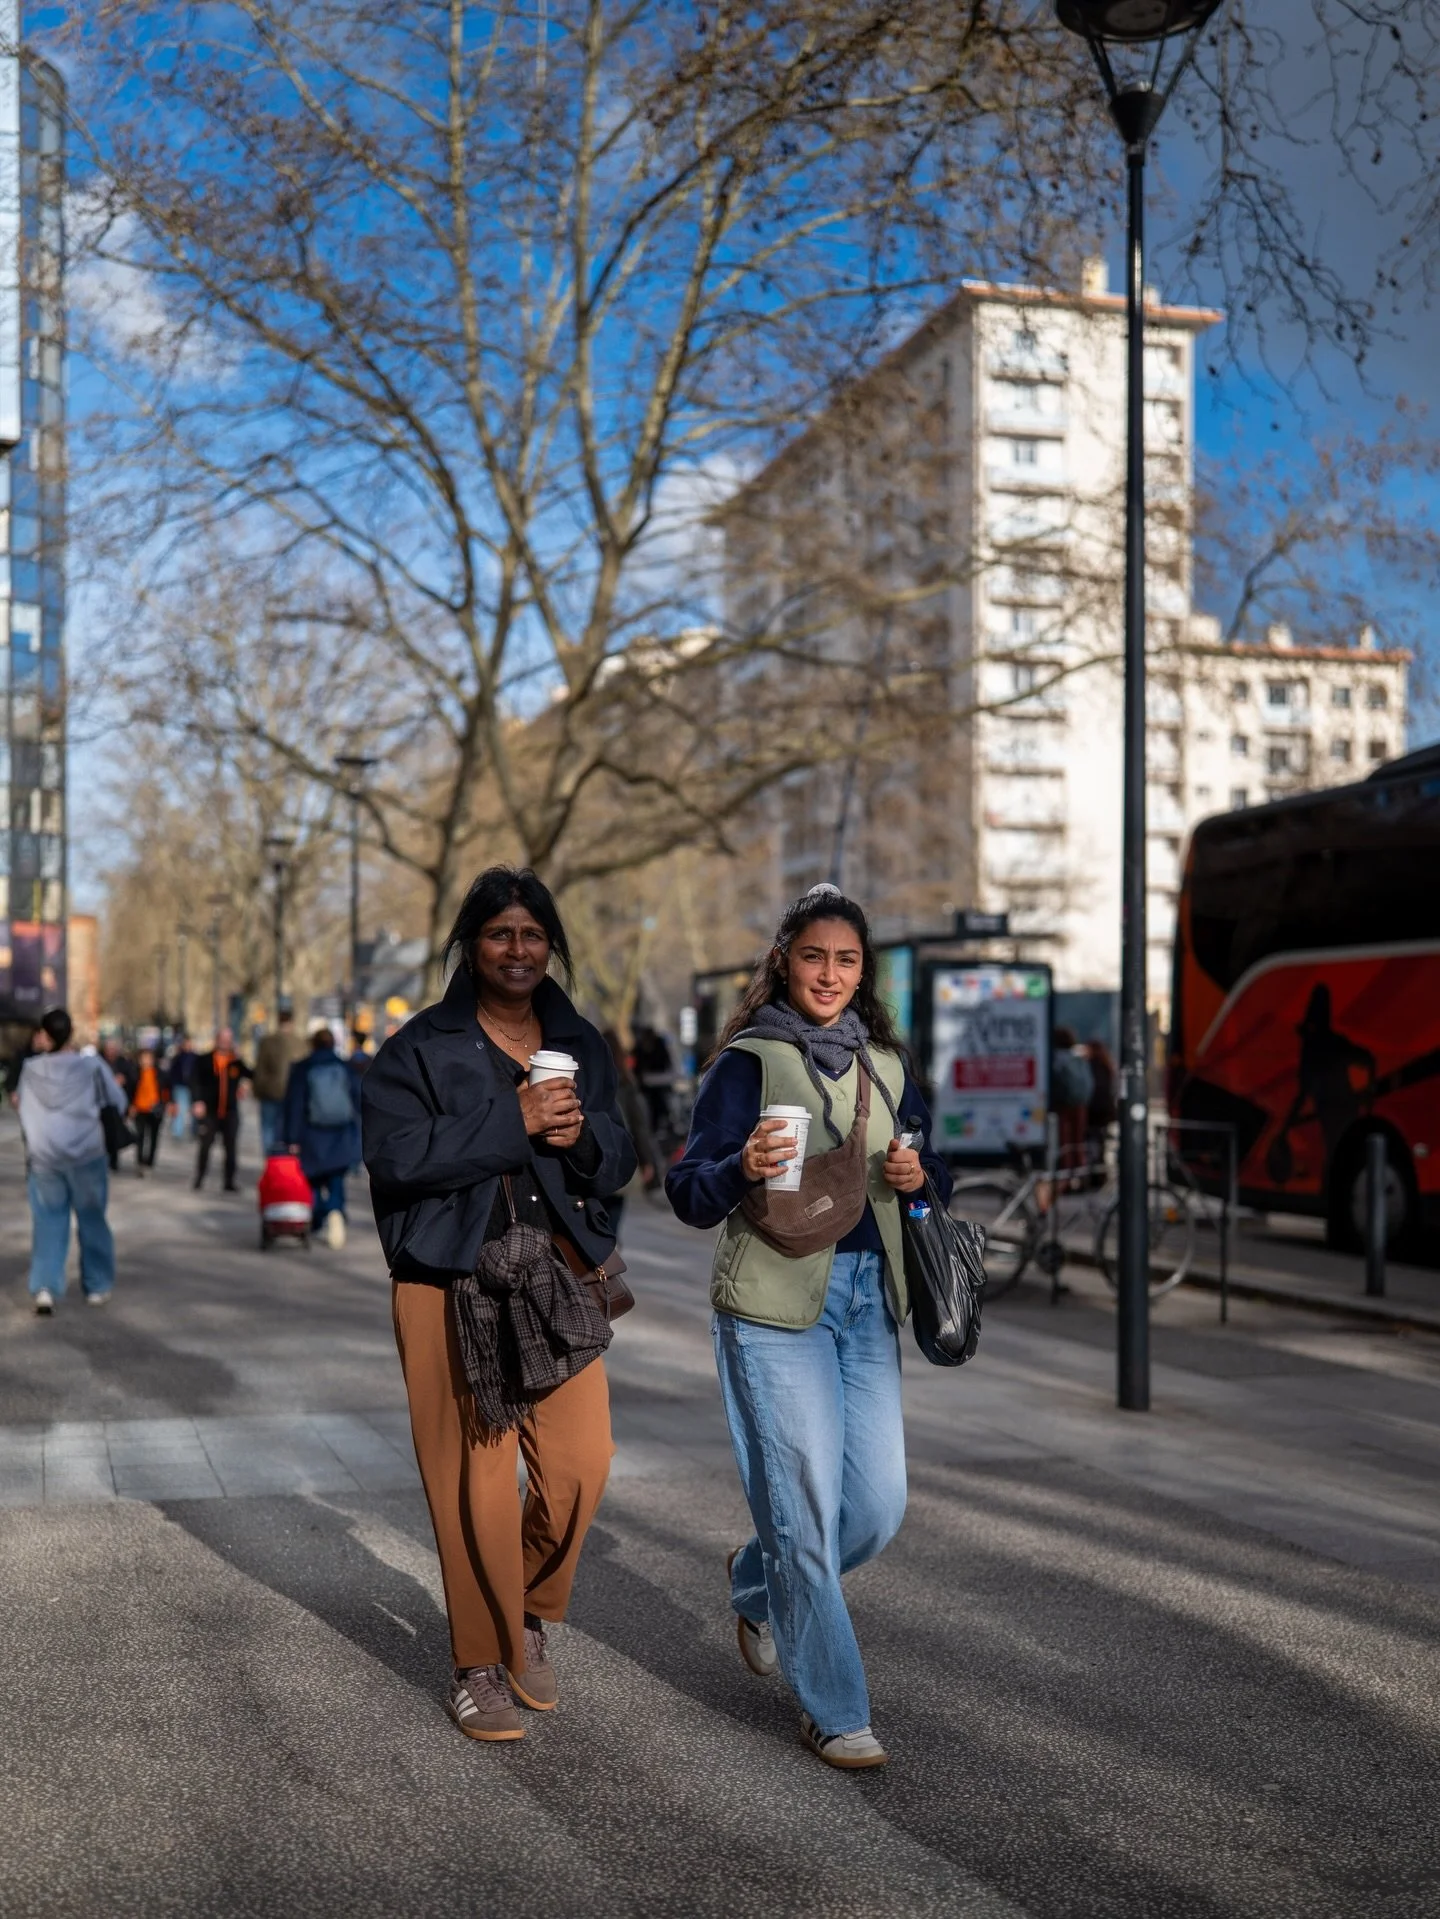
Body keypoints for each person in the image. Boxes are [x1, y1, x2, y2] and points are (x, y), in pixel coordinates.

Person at [666, 883, 950, 1773]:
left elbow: (930, 1171)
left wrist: (920, 1178)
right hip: (772, 1305)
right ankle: (835, 1711)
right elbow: (687, 1189)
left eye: (846, 960)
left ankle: (755, 1579)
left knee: (876, 1507)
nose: (829, 974)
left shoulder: (888, 1065)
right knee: (805, 1510)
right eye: (814, 956)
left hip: (868, 1302)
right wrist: (739, 1165)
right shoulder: (748, 1062)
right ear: (784, 961)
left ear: (864, 972)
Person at [363, 866, 637, 1744]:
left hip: (554, 1276)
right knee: (472, 1481)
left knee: (581, 1464)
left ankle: (524, 1607)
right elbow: (395, 1159)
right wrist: (510, 1120)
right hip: (446, 1278)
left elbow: (621, 1155)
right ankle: (478, 1663)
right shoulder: (417, 1048)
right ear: (470, 945)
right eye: (499, 933)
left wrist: (583, 1138)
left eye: (532, 934)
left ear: (550, 945)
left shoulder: (578, 1039)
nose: (518, 950)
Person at [16, 1007, 127, 1314]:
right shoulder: (91, 1067)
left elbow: (22, 1107)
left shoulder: (30, 1070)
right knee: (92, 1220)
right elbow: (117, 1101)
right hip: (87, 1154)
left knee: (48, 1222)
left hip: (44, 1158)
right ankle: (97, 1285)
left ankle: (45, 1286)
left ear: (45, 1035)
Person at [283, 1026, 362, 1248]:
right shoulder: (344, 1067)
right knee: (336, 1178)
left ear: (313, 1044)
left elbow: (295, 1105)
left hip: (312, 1133)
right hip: (340, 1132)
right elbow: (358, 1099)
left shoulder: (302, 1068)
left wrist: (291, 1138)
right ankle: (335, 1210)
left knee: (314, 1180)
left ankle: (318, 1218)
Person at [598, 1027, 660, 1243]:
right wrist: (647, 1162)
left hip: (595, 1161)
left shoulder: (590, 1081)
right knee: (614, 1217)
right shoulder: (625, 1083)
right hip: (620, 1160)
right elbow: (639, 1126)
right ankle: (611, 1246)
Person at [192, 1027, 252, 1192]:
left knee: (231, 1148)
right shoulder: (204, 1060)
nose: (225, 1042)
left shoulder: (235, 1062)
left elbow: (251, 1075)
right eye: (223, 1039)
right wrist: (197, 1101)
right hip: (210, 1111)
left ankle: (229, 1181)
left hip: (230, 1111)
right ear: (217, 1040)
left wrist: (241, 1059)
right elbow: (195, 1081)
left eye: (228, 1039)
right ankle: (199, 1178)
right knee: (205, 1146)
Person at [254, 1007, 307, 1158]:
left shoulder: (267, 1041)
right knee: (288, 1128)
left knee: (268, 1128)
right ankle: (286, 1162)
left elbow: (260, 1069)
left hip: (270, 1091)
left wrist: (258, 1090)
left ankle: (270, 1161)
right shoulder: (300, 1043)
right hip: (293, 1093)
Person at [1050, 1026, 1094, 1188]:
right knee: (1077, 1141)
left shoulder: (1056, 1057)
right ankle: (1080, 1175)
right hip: (1080, 1103)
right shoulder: (1078, 1057)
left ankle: (1066, 1179)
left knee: (1064, 1142)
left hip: (1062, 1104)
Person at [129, 1046, 171, 1176]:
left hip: (155, 1110)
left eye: (149, 1058)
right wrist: (130, 1106)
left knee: (154, 1137)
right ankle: (140, 1162)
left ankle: (150, 1162)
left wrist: (167, 1103)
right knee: (140, 1136)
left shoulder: (160, 1073)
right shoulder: (134, 1073)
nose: (146, 1061)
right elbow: (129, 1090)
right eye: (143, 1058)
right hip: (140, 1109)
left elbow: (167, 1089)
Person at [632, 1023, 676, 1140]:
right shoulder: (639, 1048)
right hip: (646, 1085)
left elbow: (666, 1062)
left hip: (658, 1084)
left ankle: (662, 1127)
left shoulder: (659, 1046)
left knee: (660, 1105)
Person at [100, 1037, 136, 1170]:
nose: (111, 1052)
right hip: (102, 1104)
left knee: (115, 1132)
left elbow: (133, 1081)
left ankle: (113, 1160)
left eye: (113, 1049)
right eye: (109, 1049)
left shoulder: (124, 1064)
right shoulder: (99, 1062)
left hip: (118, 1105)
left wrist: (124, 1080)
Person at [1085, 1038, 1118, 1180]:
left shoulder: (1091, 1066)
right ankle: (1100, 1173)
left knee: (1093, 1143)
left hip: (1094, 1111)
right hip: (1105, 1111)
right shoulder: (1107, 1065)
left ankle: (1096, 1174)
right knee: (1100, 1142)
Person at [168, 1035, 197, 1138]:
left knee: (195, 1109)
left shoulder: (196, 1057)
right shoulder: (178, 1057)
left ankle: (195, 1130)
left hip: (193, 1087)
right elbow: (172, 1074)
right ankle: (177, 1131)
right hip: (180, 1087)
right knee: (179, 1110)